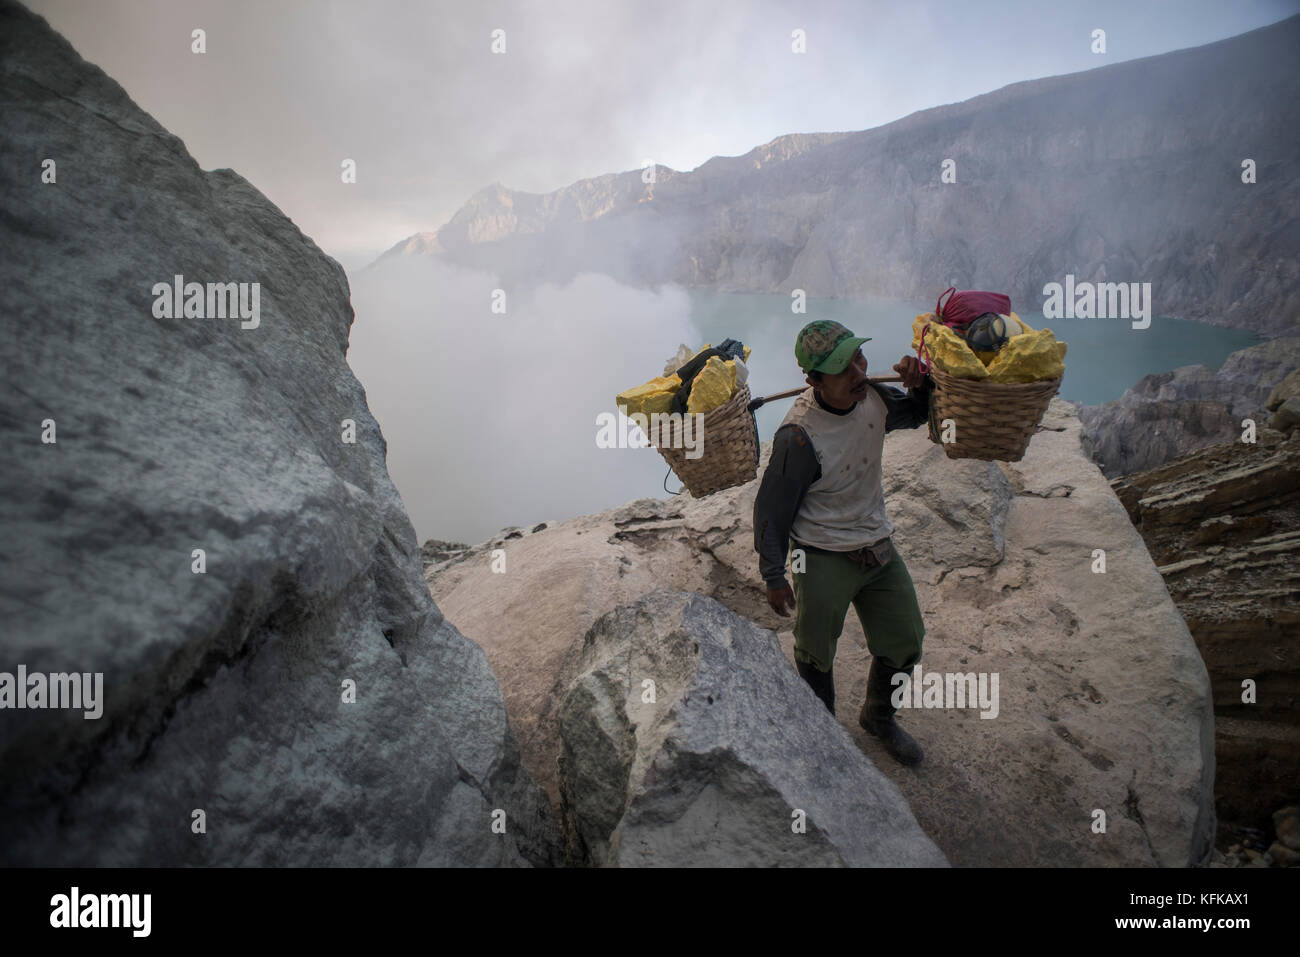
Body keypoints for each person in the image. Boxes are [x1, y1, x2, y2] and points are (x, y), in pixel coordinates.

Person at [752, 319, 931, 766]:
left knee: (906, 638)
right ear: (813, 381)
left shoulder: (872, 397)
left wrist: (920, 383)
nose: (858, 373)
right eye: (842, 368)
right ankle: (823, 731)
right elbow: (771, 513)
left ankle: (878, 716)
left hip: (876, 542)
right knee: (815, 648)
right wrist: (775, 575)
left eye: (859, 358)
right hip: (820, 553)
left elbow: (916, 413)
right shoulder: (798, 436)